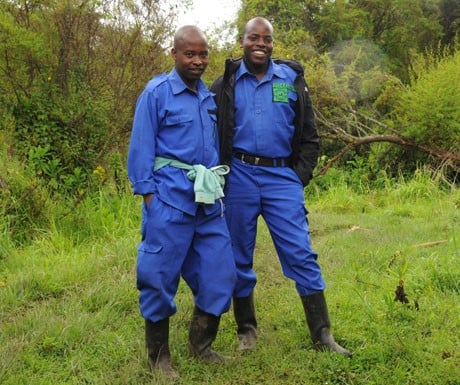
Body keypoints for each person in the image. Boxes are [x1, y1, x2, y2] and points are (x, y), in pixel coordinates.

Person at [210, 17, 351, 357]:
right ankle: (247, 331)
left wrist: (297, 176)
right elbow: (212, 131)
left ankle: (322, 335)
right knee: (238, 256)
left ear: (273, 44)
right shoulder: (225, 83)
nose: (261, 43)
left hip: (281, 178)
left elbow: (309, 134)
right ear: (242, 41)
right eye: (254, 37)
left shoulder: (291, 79)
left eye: (267, 38)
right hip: (240, 176)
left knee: (301, 253)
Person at [127, 25, 237, 378]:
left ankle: (201, 345)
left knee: (220, 271)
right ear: (174, 54)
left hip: (207, 201)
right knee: (158, 275)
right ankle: (158, 357)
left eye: (203, 54)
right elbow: (141, 147)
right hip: (169, 199)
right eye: (189, 54)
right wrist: (149, 197)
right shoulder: (157, 93)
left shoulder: (207, 96)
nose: (197, 60)